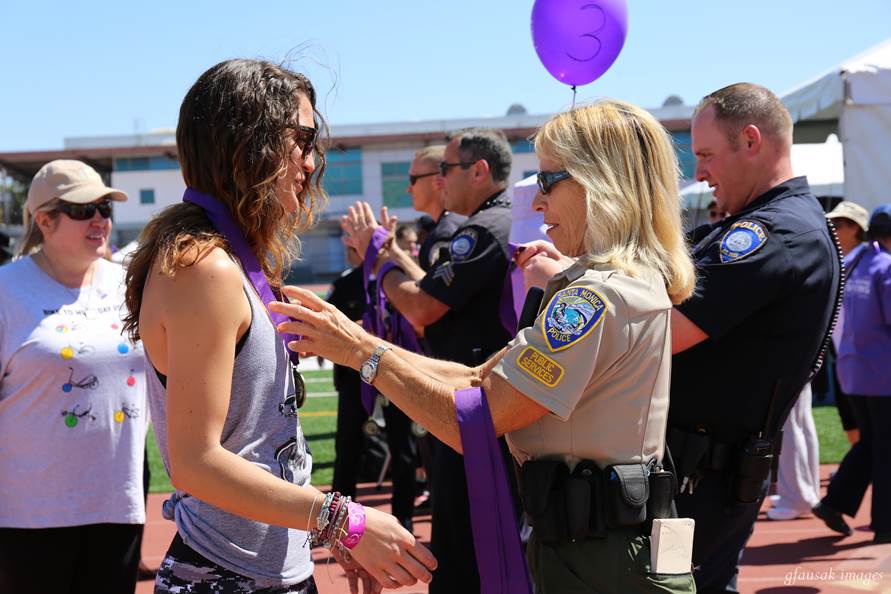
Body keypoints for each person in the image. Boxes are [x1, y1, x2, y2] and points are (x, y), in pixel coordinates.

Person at [272, 100, 698, 593]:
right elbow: (478, 379)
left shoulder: (594, 297)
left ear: (598, 183)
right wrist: (359, 340)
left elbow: (474, 417)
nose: (537, 205)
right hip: (600, 545)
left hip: (597, 558)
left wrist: (360, 354)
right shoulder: (618, 283)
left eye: (546, 182)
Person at [121, 59, 435, 593]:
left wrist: (321, 528)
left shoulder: (232, 261)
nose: (311, 163)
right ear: (250, 140)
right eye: (303, 140)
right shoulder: (204, 268)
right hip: (227, 576)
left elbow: (261, 441)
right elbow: (197, 463)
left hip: (260, 571)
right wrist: (344, 521)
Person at [665, 83, 841, 593]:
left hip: (700, 481)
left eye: (705, 155)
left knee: (672, 586)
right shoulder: (765, 225)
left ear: (749, 140)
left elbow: (663, 332)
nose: (699, 173)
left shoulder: (772, 234)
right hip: (701, 473)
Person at [340, 128, 516, 593]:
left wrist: (377, 263)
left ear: (478, 172)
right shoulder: (495, 223)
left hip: (471, 408)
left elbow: (421, 309)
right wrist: (389, 252)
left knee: (459, 546)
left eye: (445, 170)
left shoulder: (481, 230)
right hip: (478, 399)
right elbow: (435, 294)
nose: (439, 180)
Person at [0, 160, 148, 594]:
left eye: (105, 207)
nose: (100, 219)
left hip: (117, 505)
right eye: (85, 210)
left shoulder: (129, 288)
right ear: (45, 220)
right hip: (28, 515)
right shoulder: (7, 291)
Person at [812, 204, 891, 544]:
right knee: (885, 448)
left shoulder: (855, 264)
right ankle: (886, 524)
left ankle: (836, 501)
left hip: (854, 369)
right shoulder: (885, 267)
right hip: (881, 373)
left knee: (872, 443)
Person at [825, 200, 870, 444]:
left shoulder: (872, 261)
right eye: (829, 223)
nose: (831, 228)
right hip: (844, 353)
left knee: (868, 418)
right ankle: (859, 461)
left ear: (855, 228)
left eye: (837, 224)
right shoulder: (841, 261)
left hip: (866, 356)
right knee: (848, 414)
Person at [405, 145, 465, 271]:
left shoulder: (445, 233)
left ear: (438, 180)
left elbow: (430, 291)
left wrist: (387, 255)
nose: (409, 189)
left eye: (413, 179)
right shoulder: (459, 220)